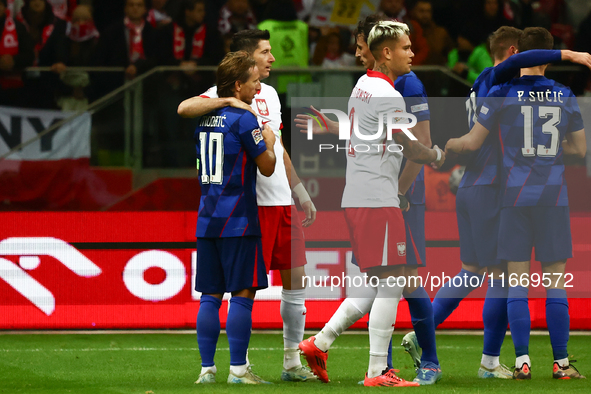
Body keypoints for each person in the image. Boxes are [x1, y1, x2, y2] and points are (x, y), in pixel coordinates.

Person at [431, 25, 591, 379]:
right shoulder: (564, 94)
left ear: (521, 52)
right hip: (553, 195)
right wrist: (549, 153)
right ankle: (561, 364)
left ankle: (521, 361)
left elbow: (473, 142)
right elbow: (580, 149)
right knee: (555, 281)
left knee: (512, 279)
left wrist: (445, 146)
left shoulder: (501, 91)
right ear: (548, 56)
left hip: (512, 195)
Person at [298, 20, 445, 387]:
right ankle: (378, 372)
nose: (412, 53)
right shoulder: (389, 95)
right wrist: (436, 155)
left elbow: (368, 130)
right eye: (406, 48)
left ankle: (320, 343)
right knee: (394, 282)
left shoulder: (363, 85)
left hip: (361, 196)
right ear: (387, 53)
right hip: (378, 198)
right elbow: (408, 145)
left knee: (380, 282)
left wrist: (334, 129)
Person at [178, 29, 318, 382]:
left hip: (268, 202)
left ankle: (290, 362)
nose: (271, 59)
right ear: (245, 62)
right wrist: (229, 103)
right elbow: (185, 107)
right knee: (244, 290)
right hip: (248, 208)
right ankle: (239, 368)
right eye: (265, 53)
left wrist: (299, 191)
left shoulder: (268, 93)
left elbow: (280, 148)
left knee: (294, 279)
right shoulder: (226, 94)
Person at [351, 13, 441, 383]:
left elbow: (421, 144)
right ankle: (381, 366)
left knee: (407, 278)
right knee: (381, 278)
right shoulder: (371, 84)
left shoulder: (409, 84)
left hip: (400, 193)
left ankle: (430, 360)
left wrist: (401, 191)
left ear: (379, 50)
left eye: (360, 47)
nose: (358, 55)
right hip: (376, 193)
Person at [191, 50, 276, 385]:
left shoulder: (204, 118)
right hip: (238, 219)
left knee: (210, 295)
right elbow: (267, 166)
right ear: (238, 84)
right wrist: (268, 140)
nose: (258, 88)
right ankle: (239, 370)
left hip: (207, 217)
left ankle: (206, 370)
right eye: (254, 82)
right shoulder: (244, 120)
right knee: (242, 294)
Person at [0, 0, 34, 107]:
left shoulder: (18, 27)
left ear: (5, 8)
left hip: (12, 91)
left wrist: (14, 60)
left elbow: (29, 56)